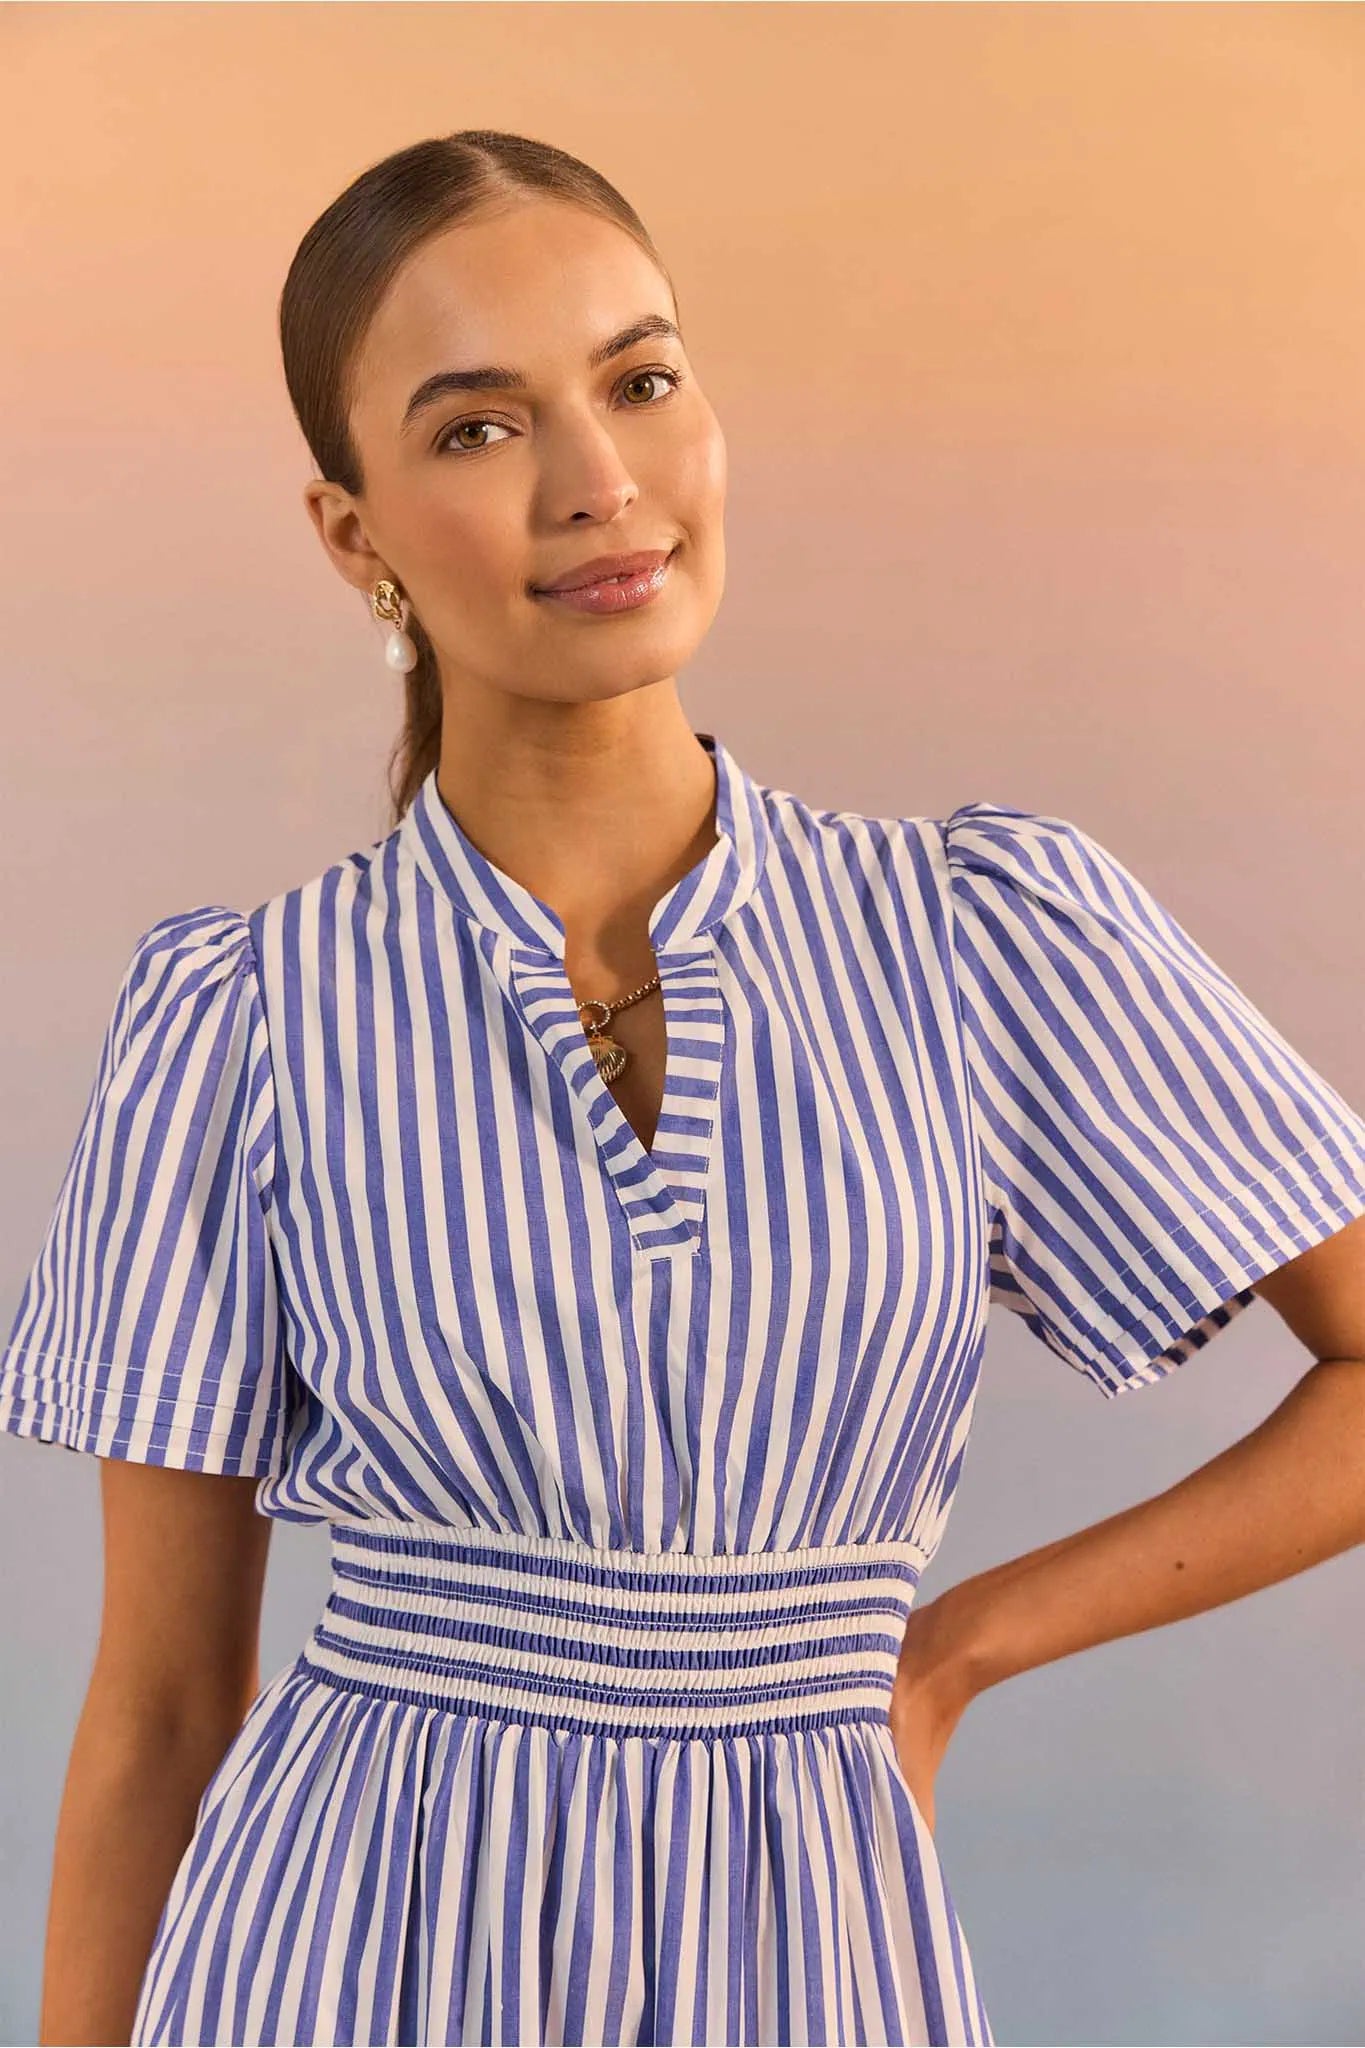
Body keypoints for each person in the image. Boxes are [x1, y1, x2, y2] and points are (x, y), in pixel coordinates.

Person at [4, 129, 1365, 2048]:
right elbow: (156, 1714)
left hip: (803, 1943)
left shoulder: (973, 931)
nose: (598, 483)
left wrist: (957, 1648)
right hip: (344, 1957)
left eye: (639, 381)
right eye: (479, 429)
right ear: (352, 531)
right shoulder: (242, 1022)